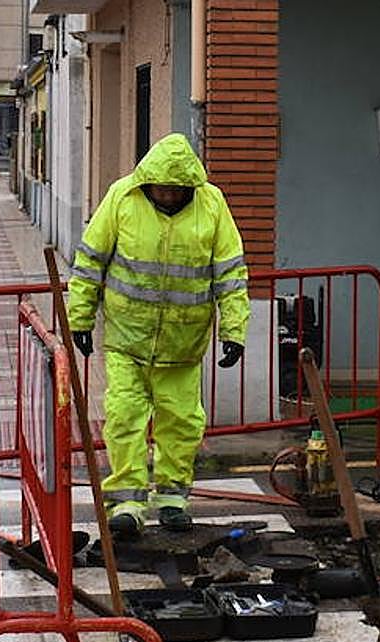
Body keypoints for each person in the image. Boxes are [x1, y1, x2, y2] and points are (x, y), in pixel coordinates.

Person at [68, 132, 250, 538]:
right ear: (147, 181)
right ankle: (127, 503)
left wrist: (234, 330)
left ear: (189, 185)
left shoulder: (212, 204)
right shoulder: (122, 197)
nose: (167, 195)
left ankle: (172, 499)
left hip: (183, 345)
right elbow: (90, 261)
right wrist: (80, 319)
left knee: (181, 423)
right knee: (124, 418)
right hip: (127, 339)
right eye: (161, 188)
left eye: (175, 189)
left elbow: (230, 274)